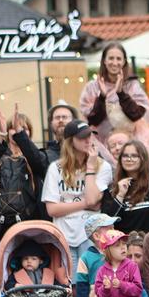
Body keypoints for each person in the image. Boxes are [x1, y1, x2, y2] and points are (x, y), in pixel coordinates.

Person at [0, 104, 49, 270]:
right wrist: (1, 136)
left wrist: (20, 135)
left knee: (31, 269)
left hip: (30, 223)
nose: (16, 131)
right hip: (2, 223)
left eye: (24, 128)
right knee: (5, 272)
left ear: (29, 132)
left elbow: (41, 165)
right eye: (12, 128)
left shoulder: (35, 156)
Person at [42, 120, 112, 280]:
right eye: (82, 137)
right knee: (69, 285)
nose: (88, 140)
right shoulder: (56, 168)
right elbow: (52, 209)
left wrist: (90, 168)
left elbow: (93, 198)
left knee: (92, 284)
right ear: (70, 141)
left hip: (91, 234)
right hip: (63, 234)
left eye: (89, 136)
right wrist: (85, 204)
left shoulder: (103, 166)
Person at [79, 42, 149, 170]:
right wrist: (102, 97)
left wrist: (121, 94)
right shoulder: (92, 87)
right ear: (104, 61)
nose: (115, 62)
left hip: (132, 141)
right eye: (111, 58)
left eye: (118, 58)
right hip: (102, 144)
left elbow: (139, 114)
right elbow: (91, 119)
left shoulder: (132, 85)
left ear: (124, 62)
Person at [101, 139, 149, 235]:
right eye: (125, 156)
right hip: (126, 244)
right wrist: (120, 195)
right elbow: (107, 222)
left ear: (143, 158)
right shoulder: (113, 187)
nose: (129, 159)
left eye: (134, 156)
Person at [2, 239, 70, 297]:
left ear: (41, 261)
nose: (29, 261)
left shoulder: (47, 273)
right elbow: (8, 285)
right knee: (10, 294)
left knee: (60, 291)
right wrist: (15, 285)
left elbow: (57, 285)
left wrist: (65, 288)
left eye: (33, 259)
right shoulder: (16, 273)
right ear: (21, 261)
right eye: (25, 259)